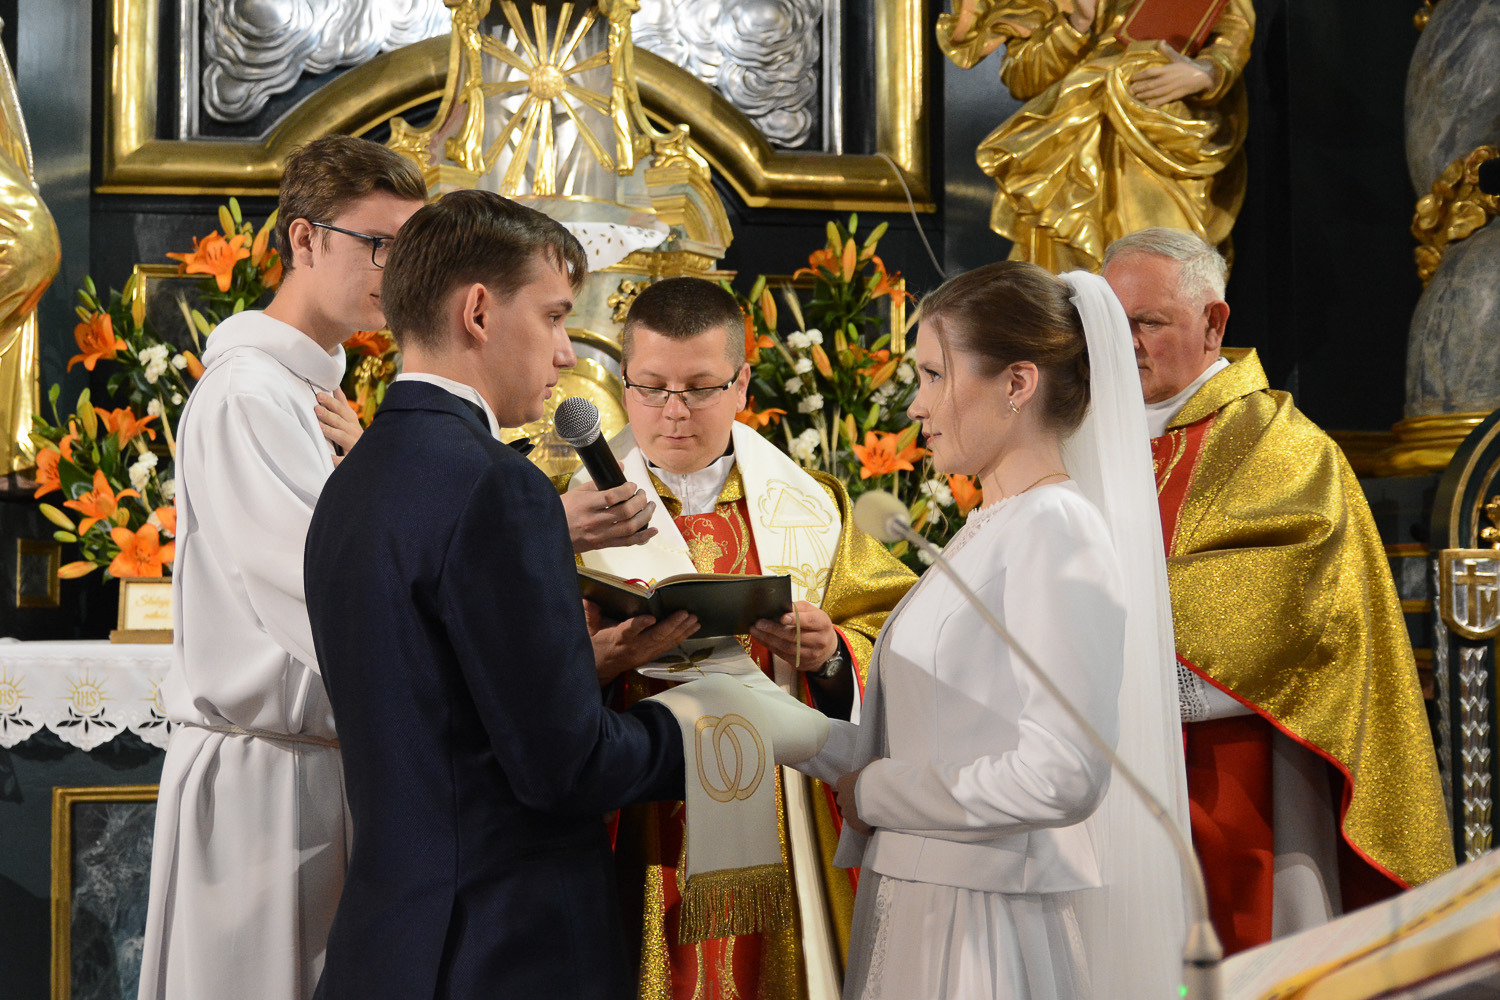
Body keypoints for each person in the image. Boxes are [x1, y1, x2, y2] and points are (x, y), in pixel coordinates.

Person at [303, 189, 700, 1000]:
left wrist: (563, 661)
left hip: (389, 939)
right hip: (508, 947)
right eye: (554, 317)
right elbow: (566, 768)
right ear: (478, 312)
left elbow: (436, 705)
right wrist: (705, 730)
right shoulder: (498, 487)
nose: (565, 353)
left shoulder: (354, 478)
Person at [794, 261, 1189, 1000]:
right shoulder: (992, 526)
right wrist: (781, 728)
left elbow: (1065, 773)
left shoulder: (1057, 530)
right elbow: (941, 734)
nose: (917, 405)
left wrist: (876, 792)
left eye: (937, 375)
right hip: (922, 899)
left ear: (1017, 383)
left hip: (980, 926)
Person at [1101, 227, 1455, 955]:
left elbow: (1299, 623)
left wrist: (1120, 664)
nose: (1126, 342)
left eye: (1148, 322)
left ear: (1214, 323)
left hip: (1240, 768)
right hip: (1104, 772)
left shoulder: (1279, 445)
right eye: (1111, 322)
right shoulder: (1084, 438)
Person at [567, 276, 916, 997]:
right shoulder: (571, 514)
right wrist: (594, 662)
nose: (673, 412)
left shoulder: (810, 505)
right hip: (637, 811)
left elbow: (891, 630)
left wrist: (829, 658)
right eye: (650, 387)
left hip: (782, 817)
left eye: (699, 388)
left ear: (742, 383)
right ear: (621, 382)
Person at [138, 135, 426, 1000]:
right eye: (379, 244)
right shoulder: (247, 395)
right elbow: (320, 600)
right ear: (304, 239)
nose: (397, 269)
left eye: (408, 249)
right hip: (267, 783)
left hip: (319, 768)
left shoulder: (317, 394)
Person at [937, 0, 1253, 272]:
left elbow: (1233, 30)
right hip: (1071, 138)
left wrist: (1207, 72)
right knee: (1074, 293)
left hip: (1163, 129)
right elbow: (1023, 77)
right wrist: (1075, 26)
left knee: (1161, 271)